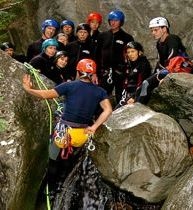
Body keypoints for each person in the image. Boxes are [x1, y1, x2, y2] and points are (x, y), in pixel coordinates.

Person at [22, 58, 112, 204]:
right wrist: (94, 127)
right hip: (82, 135)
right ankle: (61, 188)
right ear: (93, 74)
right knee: (68, 162)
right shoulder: (100, 91)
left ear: (78, 72)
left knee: (53, 162)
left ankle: (47, 194)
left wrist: (28, 89)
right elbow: (108, 110)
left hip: (64, 133)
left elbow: (45, 95)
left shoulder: (70, 86)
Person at [135, 17, 187, 104]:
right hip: (168, 69)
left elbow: (173, 57)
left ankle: (139, 106)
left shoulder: (172, 38)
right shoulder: (159, 43)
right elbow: (160, 63)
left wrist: (167, 77)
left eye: (155, 30)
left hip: (179, 68)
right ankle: (137, 104)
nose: (153, 33)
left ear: (164, 29)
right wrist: (154, 75)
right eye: (152, 30)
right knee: (141, 87)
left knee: (146, 84)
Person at [96, 9, 134, 104]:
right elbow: (97, 54)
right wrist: (95, 73)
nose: (113, 23)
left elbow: (130, 56)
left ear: (121, 22)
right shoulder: (103, 36)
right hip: (105, 72)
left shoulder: (127, 38)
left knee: (120, 96)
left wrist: (128, 73)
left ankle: (120, 117)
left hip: (120, 72)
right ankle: (98, 117)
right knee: (101, 96)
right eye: (111, 20)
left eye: (116, 20)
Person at [115, 41, 152, 108]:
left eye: (133, 51)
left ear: (139, 52)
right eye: (128, 52)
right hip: (127, 95)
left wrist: (134, 97)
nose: (130, 54)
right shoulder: (129, 64)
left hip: (138, 96)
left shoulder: (144, 64)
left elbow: (142, 84)